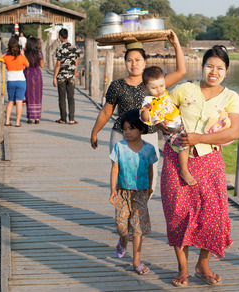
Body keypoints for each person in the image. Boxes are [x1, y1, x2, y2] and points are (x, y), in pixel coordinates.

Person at [159, 45, 239, 287]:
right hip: (176, 159)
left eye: (219, 68)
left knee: (213, 214)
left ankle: (203, 263)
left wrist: (197, 138)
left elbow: (234, 131)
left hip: (210, 162)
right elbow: (159, 109)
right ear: (202, 66)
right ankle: (183, 268)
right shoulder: (185, 89)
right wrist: (161, 123)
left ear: (226, 70)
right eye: (209, 66)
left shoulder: (231, 97)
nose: (213, 71)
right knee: (178, 213)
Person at [90, 30, 186, 193]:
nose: (133, 64)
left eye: (137, 60)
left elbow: (181, 72)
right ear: (125, 62)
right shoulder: (117, 85)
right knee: (122, 176)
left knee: (149, 180)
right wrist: (94, 132)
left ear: (144, 61)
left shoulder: (155, 84)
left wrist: (176, 44)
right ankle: (123, 215)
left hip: (148, 135)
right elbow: (107, 112)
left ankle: (140, 214)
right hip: (122, 135)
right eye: (129, 60)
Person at [109, 109, 158, 275]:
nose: (127, 132)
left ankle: (136, 261)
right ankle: (123, 239)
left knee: (138, 228)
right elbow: (115, 168)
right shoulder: (119, 147)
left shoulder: (149, 149)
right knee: (121, 224)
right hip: (123, 192)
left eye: (131, 128)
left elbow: (151, 169)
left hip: (141, 193)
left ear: (141, 129)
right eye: (124, 129)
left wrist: (151, 187)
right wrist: (112, 190)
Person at [140, 66, 195, 186]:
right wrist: (145, 111)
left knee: (191, 138)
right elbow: (144, 118)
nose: (159, 90)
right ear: (145, 88)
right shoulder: (148, 100)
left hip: (178, 123)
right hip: (170, 128)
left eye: (161, 86)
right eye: (153, 87)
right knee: (184, 144)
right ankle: (184, 170)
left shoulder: (164, 94)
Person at [53, 28, 80, 125]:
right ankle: (72, 119)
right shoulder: (74, 48)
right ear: (67, 36)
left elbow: (58, 64)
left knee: (62, 97)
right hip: (71, 76)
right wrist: (74, 74)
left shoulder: (59, 48)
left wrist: (54, 76)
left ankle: (63, 119)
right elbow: (76, 63)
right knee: (71, 97)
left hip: (61, 76)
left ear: (60, 36)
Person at [3, 36, 29, 127]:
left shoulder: (6, 57)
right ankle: (17, 122)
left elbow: (0, 57)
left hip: (11, 81)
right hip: (21, 81)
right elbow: (28, 64)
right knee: (19, 102)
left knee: (10, 101)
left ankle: (7, 120)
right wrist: (22, 54)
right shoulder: (21, 57)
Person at [24, 37, 44, 124]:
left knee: (29, 96)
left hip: (28, 75)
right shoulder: (39, 54)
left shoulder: (25, 54)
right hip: (37, 75)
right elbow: (42, 66)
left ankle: (30, 117)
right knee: (38, 96)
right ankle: (37, 118)